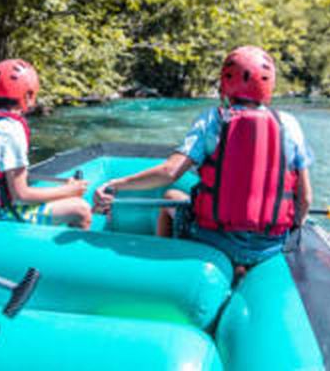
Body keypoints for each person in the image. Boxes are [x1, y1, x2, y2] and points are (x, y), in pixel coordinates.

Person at [95, 46, 313, 276]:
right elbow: (305, 198)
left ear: (225, 82)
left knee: (171, 198)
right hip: (269, 246)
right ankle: (243, 271)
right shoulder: (289, 125)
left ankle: (164, 270)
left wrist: (115, 184)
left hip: (212, 238)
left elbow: (170, 172)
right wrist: (291, 226)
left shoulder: (212, 119)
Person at [0, 59, 92, 231]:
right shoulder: (11, 129)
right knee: (81, 209)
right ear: (28, 95)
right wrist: (70, 190)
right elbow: (21, 196)